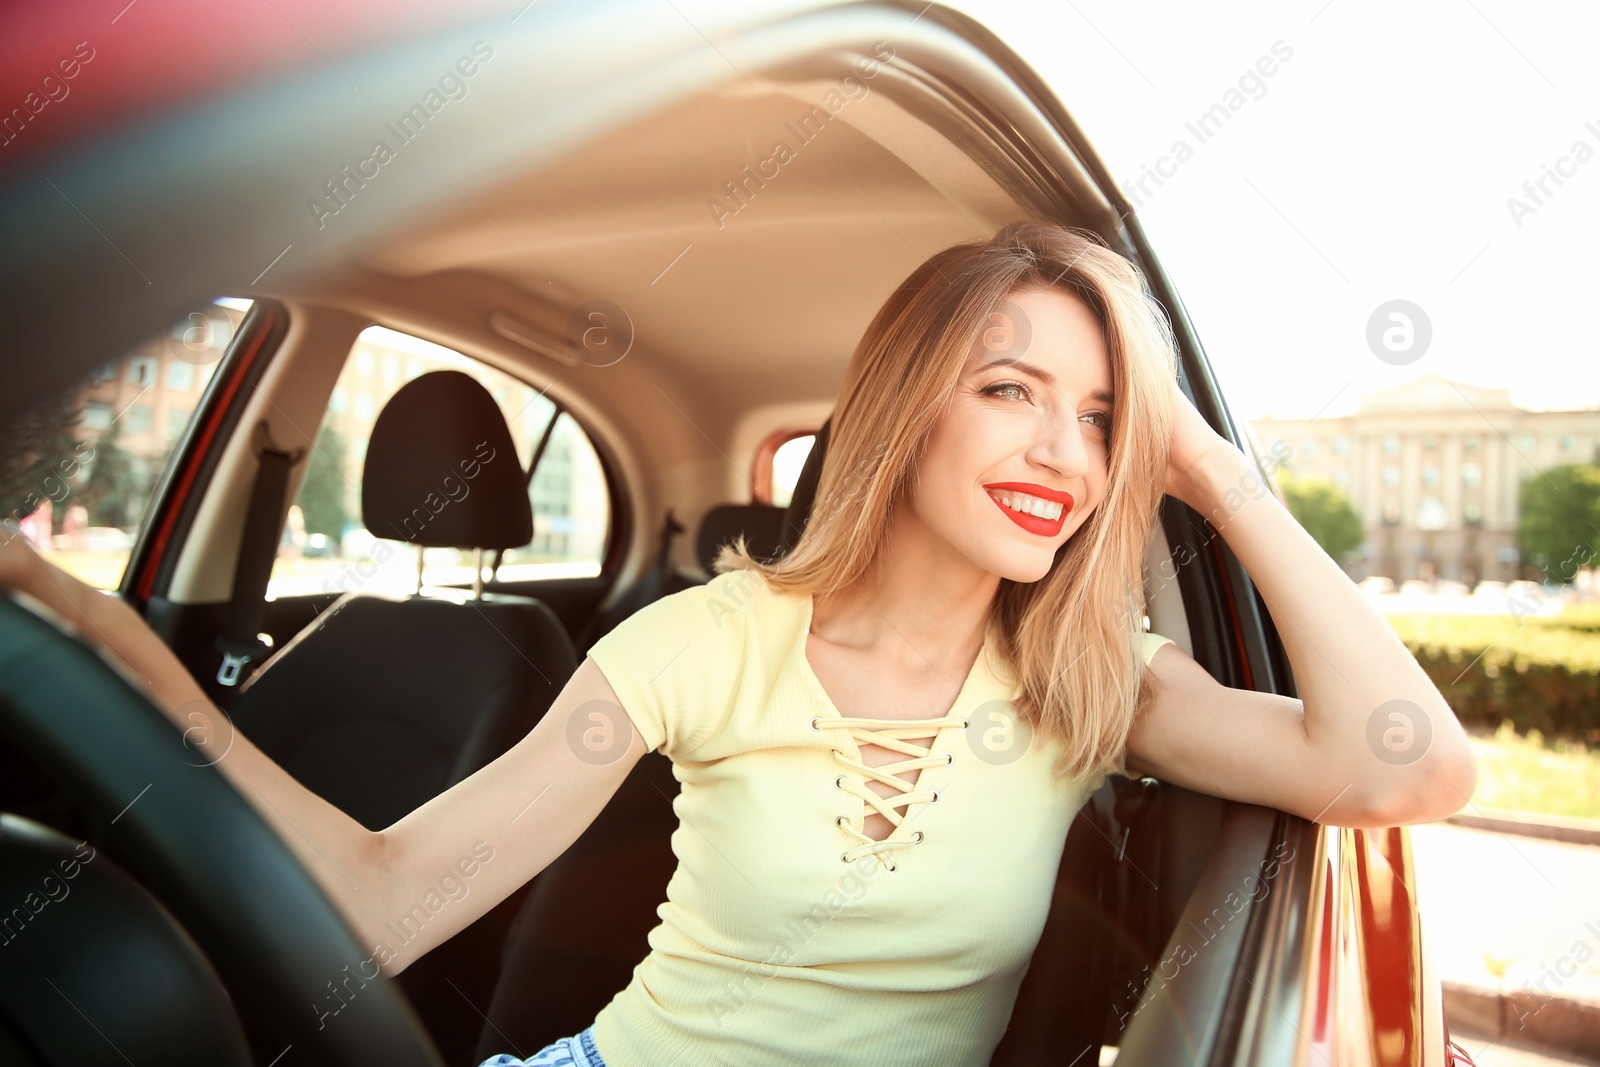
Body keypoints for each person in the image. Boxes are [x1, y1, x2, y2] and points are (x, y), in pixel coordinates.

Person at [0, 220, 1477, 1066]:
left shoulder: (1096, 682)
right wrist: (92, 643)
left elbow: (1410, 769)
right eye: (1013, 391)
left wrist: (1211, 471)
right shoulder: (694, 643)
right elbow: (387, 906)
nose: (1065, 452)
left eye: (1101, 419)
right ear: (908, 411)